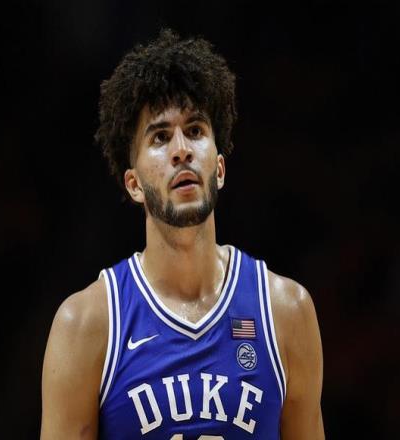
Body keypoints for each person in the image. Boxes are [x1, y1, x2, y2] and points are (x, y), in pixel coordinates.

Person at [40, 29, 324, 440]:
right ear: (134, 185)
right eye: (160, 137)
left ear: (219, 169)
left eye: (195, 130)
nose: (181, 150)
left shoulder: (286, 311)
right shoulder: (85, 324)